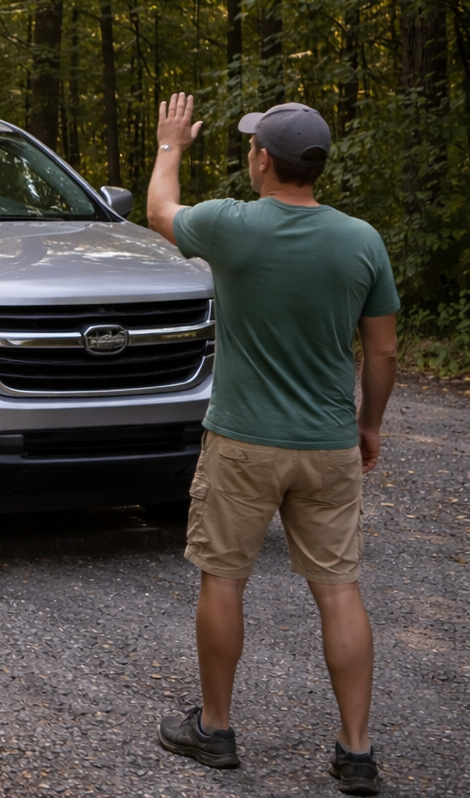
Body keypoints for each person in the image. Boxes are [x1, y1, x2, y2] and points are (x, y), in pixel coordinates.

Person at [145, 95, 399, 797]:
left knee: (224, 578)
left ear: (263, 159)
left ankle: (217, 730)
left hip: (242, 444)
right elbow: (382, 353)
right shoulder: (361, 240)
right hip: (327, 445)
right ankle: (355, 751)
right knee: (338, 589)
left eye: (254, 148)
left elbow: (160, 212)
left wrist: (171, 146)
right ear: (315, 165)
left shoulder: (232, 225)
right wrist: (369, 424)